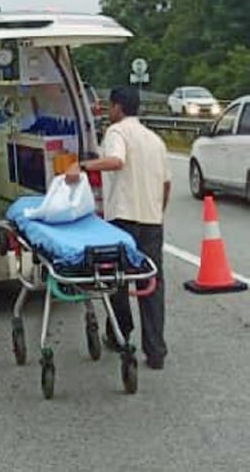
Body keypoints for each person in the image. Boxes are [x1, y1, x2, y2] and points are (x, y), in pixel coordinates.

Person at [65, 85, 170, 370]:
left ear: (118, 107)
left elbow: (116, 161)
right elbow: (166, 184)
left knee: (118, 279)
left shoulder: (116, 132)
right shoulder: (155, 140)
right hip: (151, 220)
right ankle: (156, 350)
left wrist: (82, 166)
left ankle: (121, 334)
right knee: (151, 283)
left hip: (124, 219)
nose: (108, 111)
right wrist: (158, 210)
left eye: (110, 107)